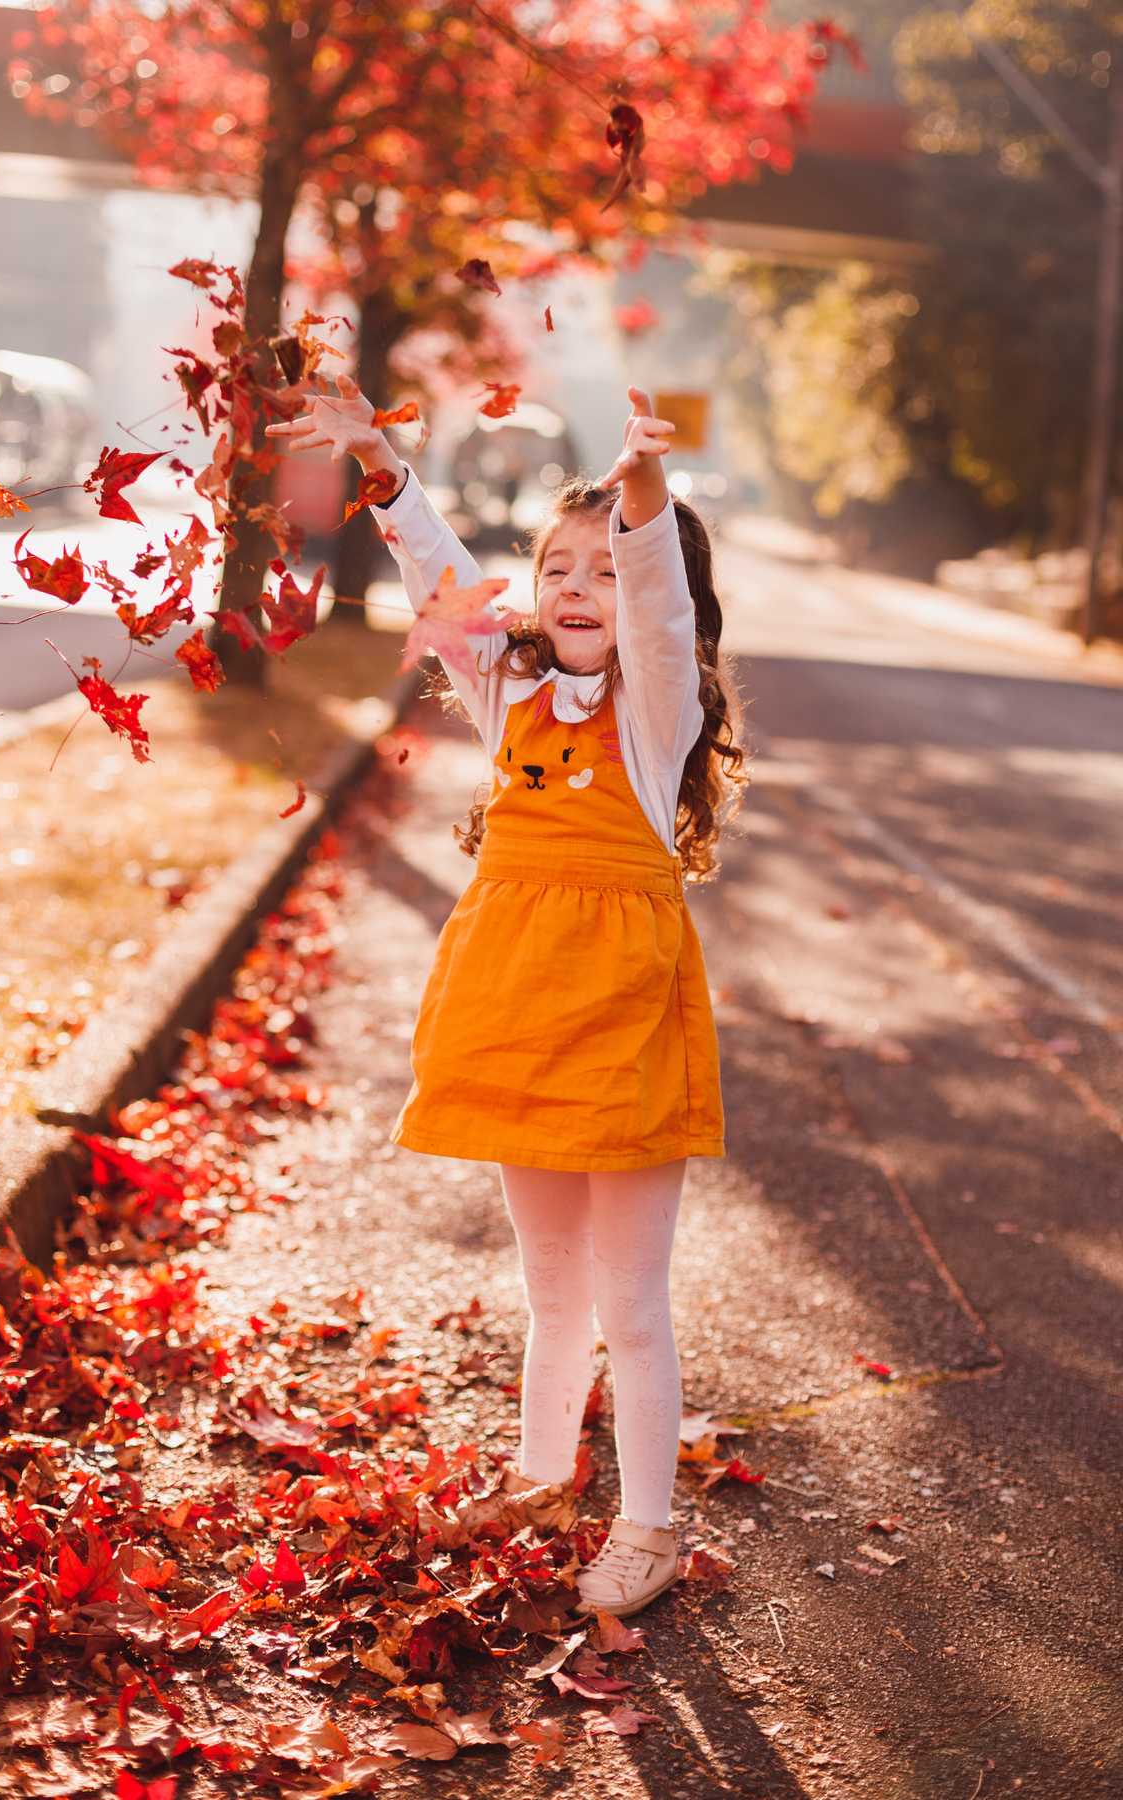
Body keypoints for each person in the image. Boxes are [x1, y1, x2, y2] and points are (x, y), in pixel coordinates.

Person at [268, 375, 744, 1618]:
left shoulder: (656, 719)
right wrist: (379, 459)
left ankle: (647, 1527)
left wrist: (641, 484)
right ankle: (543, 1474)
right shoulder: (507, 691)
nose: (580, 588)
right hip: (515, 1018)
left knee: (631, 1305)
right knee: (551, 1291)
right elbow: (439, 573)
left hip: (625, 1032)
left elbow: (651, 603)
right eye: (559, 567)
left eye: (607, 569)